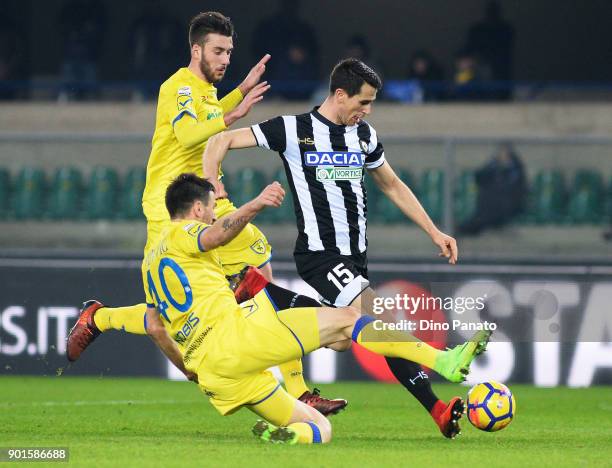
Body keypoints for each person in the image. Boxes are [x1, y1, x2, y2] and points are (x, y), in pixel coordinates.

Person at [66, 11, 343, 414]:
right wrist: (230, 115)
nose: (226, 58)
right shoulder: (177, 87)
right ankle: (99, 318)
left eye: (229, 51)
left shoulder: (206, 91)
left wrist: (236, 95)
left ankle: (299, 391)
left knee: (260, 272)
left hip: (206, 201)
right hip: (170, 209)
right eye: (218, 50)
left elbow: (206, 119)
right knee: (161, 319)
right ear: (196, 49)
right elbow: (189, 132)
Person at [202, 58, 473, 438]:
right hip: (319, 254)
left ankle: (266, 292)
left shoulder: (363, 135)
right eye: (362, 102)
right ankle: (441, 385)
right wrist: (215, 187)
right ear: (340, 94)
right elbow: (220, 139)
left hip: (355, 257)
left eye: (371, 103)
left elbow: (392, 184)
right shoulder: (294, 129)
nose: (367, 111)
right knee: (382, 322)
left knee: (350, 337)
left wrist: (433, 231)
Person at [143, 173, 491, 444]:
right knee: (349, 320)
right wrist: (256, 204)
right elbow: (215, 235)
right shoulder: (183, 232)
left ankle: (289, 437)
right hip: (235, 338)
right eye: (210, 209)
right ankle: (443, 359)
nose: (213, 215)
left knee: (319, 428)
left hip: (214, 374)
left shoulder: (150, 262)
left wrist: (189, 370)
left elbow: (155, 327)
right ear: (198, 209)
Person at [457, 143, 526, 235]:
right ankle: (466, 229)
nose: (502, 156)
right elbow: (479, 177)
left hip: (508, 204)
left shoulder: (515, 169)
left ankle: (468, 228)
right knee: (483, 212)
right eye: (501, 153)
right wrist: (493, 166)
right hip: (490, 204)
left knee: (484, 216)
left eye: (505, 153)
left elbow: (515, 187)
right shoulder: (493, 165)